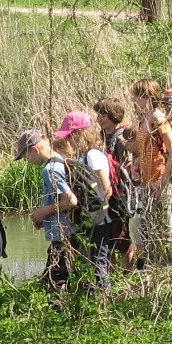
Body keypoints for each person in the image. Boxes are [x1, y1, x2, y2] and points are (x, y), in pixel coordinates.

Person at [14, 127, 78, 290]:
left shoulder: (49, 169)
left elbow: (70, 200)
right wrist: (45, 216)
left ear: (34, 150)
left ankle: (61, 313)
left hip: (63, 233)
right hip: (70, 229)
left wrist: (44, 211)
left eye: (26, 156)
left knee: (52, 281)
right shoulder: (60, 158)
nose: (27, 160)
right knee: (66, 276)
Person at [59, 111, 116, 291]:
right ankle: (95, 298)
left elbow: (107, 189)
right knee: (91, 259)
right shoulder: (82, 155)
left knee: (99, 261)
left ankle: (105, 300)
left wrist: (96, 213)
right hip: (90, 217)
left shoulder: (93, 155)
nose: (68, 140)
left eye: (69, 135)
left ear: (78, 133)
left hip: (99, 218)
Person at [129, 79, 172, 265]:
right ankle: (156, 265)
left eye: (137, 96)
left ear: (147, 96)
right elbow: (145, 148)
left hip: (158, 182)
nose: (134, 99)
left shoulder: (158, 119)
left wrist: (162, 181)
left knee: (164, 228)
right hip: (146, 181)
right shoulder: (144, 118)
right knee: (148, 227)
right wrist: (137, 163)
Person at [93, 97, 137, 269]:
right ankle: (113, 271)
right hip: (108, 192)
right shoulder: (102, 137)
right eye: (98, 114)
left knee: (123, 235)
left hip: (121, 194)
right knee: (111, 235)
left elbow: (126, 167)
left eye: (103, 114)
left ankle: (128, 270)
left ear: (114, 115)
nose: (99, 118)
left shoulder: (121, 138)